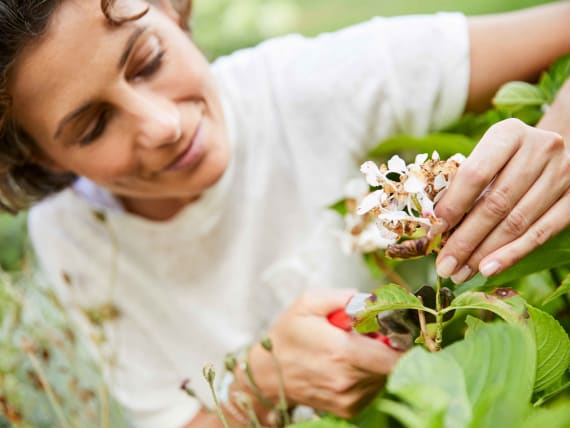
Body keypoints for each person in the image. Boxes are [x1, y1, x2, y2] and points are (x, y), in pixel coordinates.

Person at [1, 0, 569, 426]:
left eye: (148, 61)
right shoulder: (76, 233)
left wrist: (559, 135)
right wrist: (260, 383)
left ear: (171, 13)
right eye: (94, 127)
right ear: (40, 159)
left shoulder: (309, 86)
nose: (162, 126)